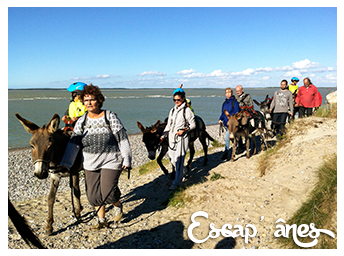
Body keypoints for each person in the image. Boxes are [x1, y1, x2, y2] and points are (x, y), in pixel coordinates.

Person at [59, 84, 132, 229]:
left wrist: (127, 158)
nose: (89, 103)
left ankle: (117, 206)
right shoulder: (82, 121)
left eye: (92, 99)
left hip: (111, 160)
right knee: (93, 196)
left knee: (108, 192)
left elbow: (122, 138)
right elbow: (74, 143)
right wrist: (66, 163)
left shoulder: (109, 116)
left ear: (99, 100)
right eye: (86, 100)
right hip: (90, 162)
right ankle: (101, 220)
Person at [161, 87, 196, 190]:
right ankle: (182, 172)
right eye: (174, 100)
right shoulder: (172, 110)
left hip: (181, 139)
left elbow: (193, 124)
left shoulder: (187, 110)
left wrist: (184, 130)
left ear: (183, 99)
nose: (176, 102)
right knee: (172, 159)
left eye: (178, 100)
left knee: (179, 162)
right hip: (171, 139)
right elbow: (168, 125)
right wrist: (163, 135)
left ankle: (177, 183)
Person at [219, 88, 240, 160]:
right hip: (225, 123)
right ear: (225, 94)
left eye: (229, 92)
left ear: (232, 93)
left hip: (231, 124)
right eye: (227, 93)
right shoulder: (224, 103)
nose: (228, 94)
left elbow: (237, 111)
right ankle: (237, 146)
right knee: (231, 138)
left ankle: (226, 152)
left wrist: (231, 118)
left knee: (226, 137)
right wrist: (220, 119)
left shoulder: (235, 102)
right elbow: (222, 113)